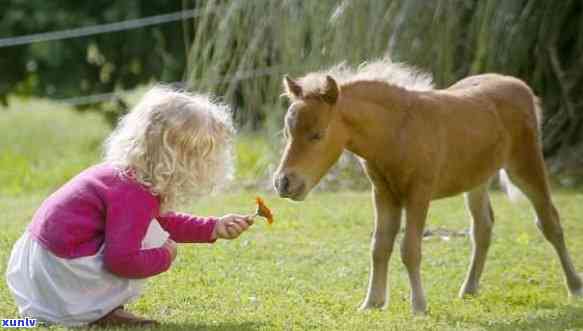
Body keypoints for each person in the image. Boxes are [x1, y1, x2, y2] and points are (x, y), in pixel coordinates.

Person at [6, 86, 252, 327]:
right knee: (153, 240)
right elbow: (121, 260)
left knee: (146, 230)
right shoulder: (134, 193)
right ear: (184, 160)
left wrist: (214, 227)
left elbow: (158, 219)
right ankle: (91, 310)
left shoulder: (125, 176)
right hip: (61, 278)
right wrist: (165, 255)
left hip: (41, 270)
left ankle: (39, 318)